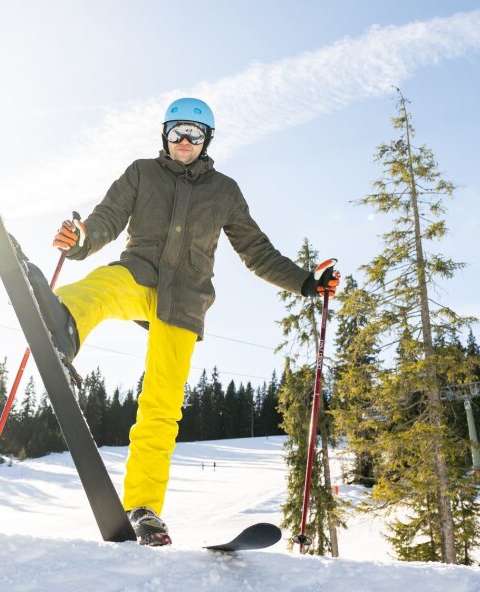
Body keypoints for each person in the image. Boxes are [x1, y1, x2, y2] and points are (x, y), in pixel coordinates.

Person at [33, 97, 339, 546]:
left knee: (161, 407)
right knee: (103, 286)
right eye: (177, 131)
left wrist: (306, 283)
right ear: (164, 133)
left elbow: (257, 252)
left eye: (194, 134)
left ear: (207, 141)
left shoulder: (225, 192)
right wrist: (81, 239)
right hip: (140, 275)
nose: (184, 141)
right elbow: (107, 219)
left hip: (186, 303)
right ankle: (62, 326)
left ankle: (143, 508)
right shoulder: (142, 172)